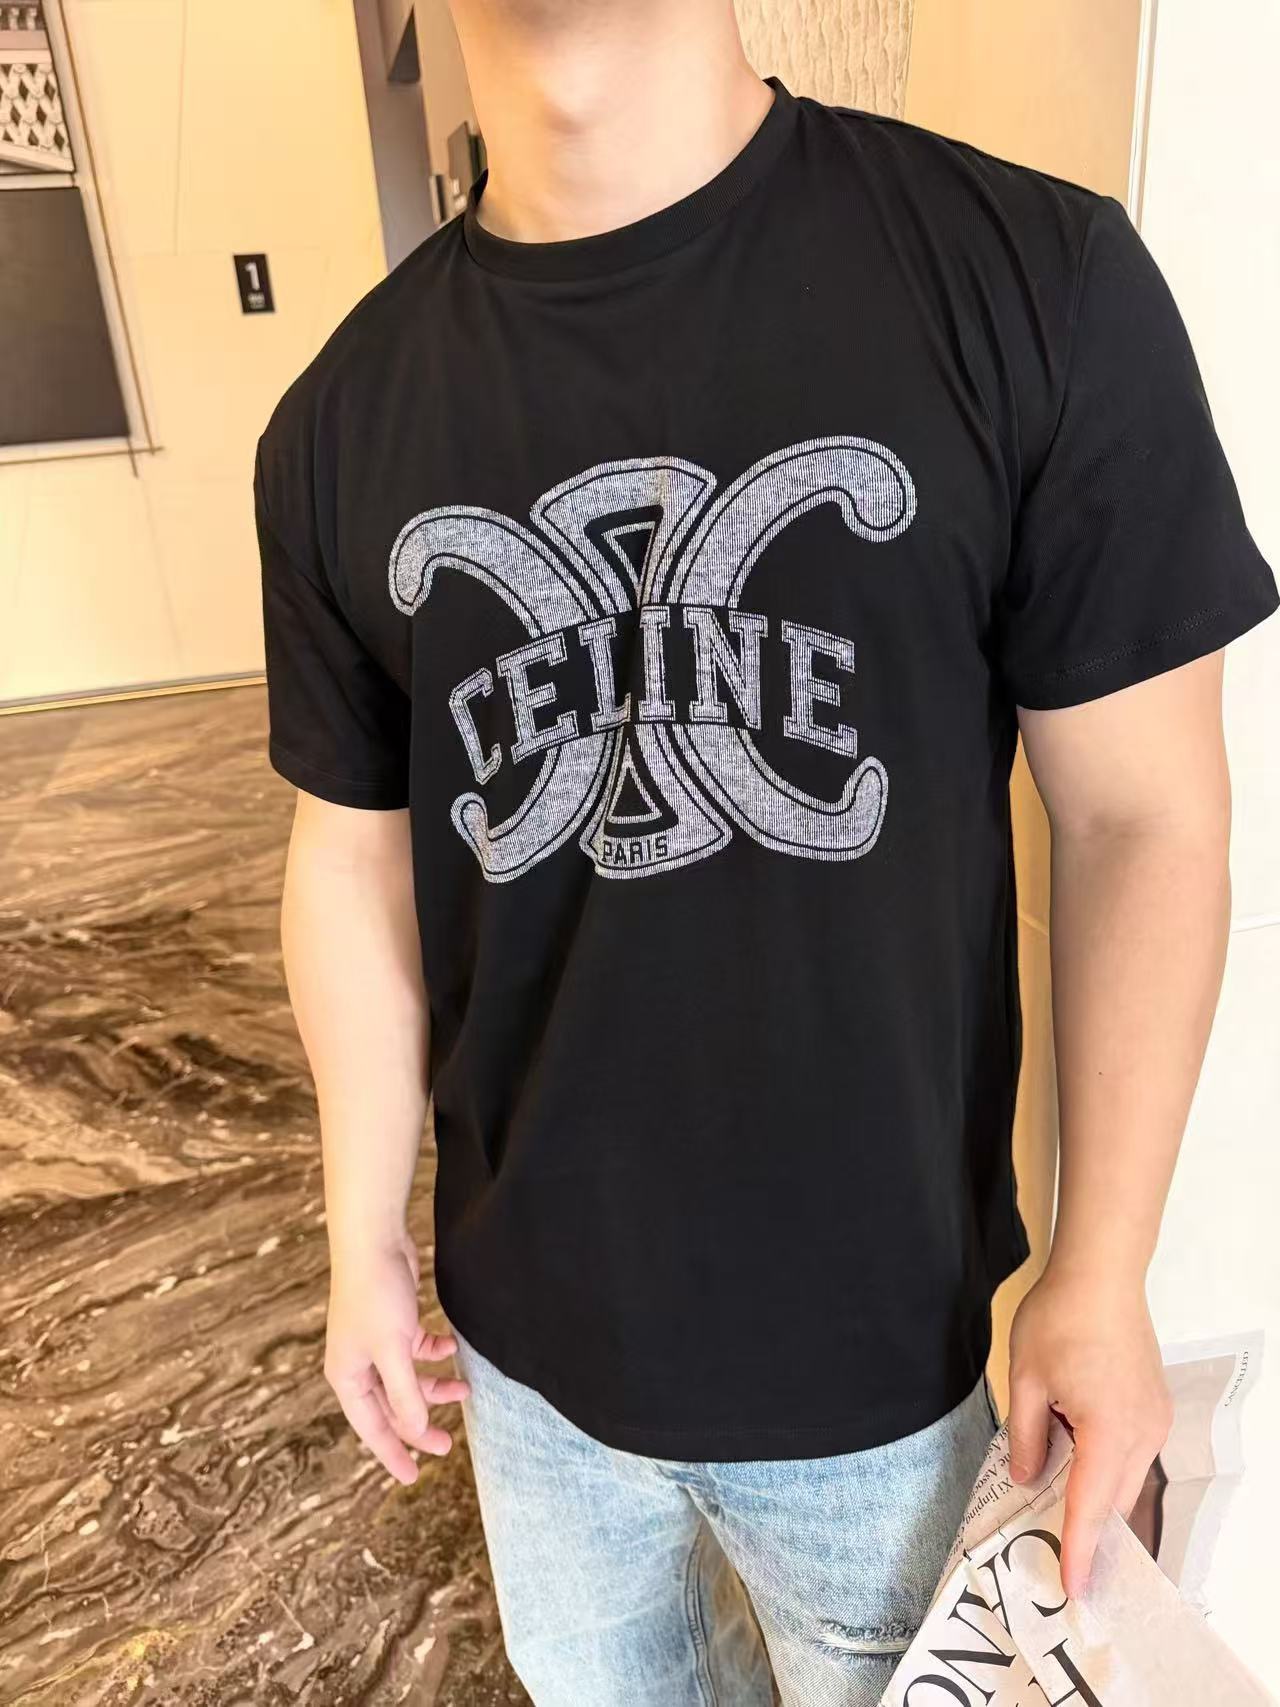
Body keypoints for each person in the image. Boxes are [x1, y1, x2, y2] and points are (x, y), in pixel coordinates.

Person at [251, 2, 1278, 1701]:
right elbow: (350, 851)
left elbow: (1143, 815)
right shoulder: (334, 425)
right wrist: (357, 1223)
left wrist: (1101, 1270)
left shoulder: (1035, 281)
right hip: (528, 1366)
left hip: (883, 1379)